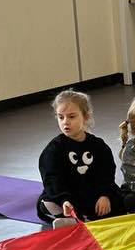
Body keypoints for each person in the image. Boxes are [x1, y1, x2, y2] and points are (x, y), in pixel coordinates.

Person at [36, 89, 121, 226]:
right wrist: (64, 200)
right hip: (68, 197)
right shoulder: (53, 149)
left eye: (71, 117)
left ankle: (79, 220)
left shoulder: (99, 145)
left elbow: (107, 173)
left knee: (119, 201)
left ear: (85, 117)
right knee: (46, 205)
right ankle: (75, 218)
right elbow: (51, 179)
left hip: (92, 195)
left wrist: (104, 195)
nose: (65, 122)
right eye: (61, 117)